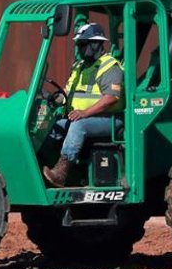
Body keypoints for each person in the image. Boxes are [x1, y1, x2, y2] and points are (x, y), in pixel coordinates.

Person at [42, 22, 125, 187]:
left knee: (78, 126)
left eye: (83, 44)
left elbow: (111, 98)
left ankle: (61, 171)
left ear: (95, 44)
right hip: (83, 117)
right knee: (53, 126)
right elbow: (68, 92)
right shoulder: (79, 66)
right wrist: (54, 99)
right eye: (78, 44)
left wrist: (85, 113)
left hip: (109, 119)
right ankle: (41, 164)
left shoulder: (110, 66)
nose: (79, 49)